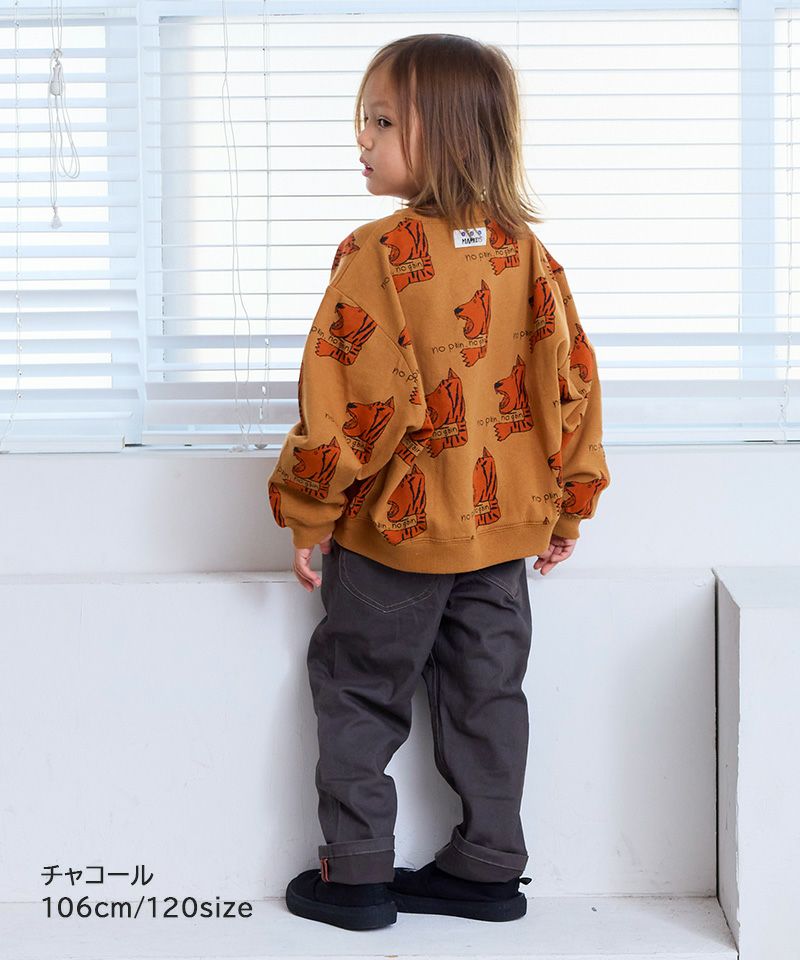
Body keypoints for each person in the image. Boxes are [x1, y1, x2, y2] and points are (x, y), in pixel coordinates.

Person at [267, 33, 611, 931]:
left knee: (359, 691)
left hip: (394, 539)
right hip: (502, 539)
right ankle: (489, 868)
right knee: (488, 698)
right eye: (366, 119)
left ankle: (356, 877)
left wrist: (309, 509)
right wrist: (570, 505)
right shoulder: (526, 254)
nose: (363, 138)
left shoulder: (378, 254)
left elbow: (352, 399)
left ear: (449, 134)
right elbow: (572, 383)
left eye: (383, 122)